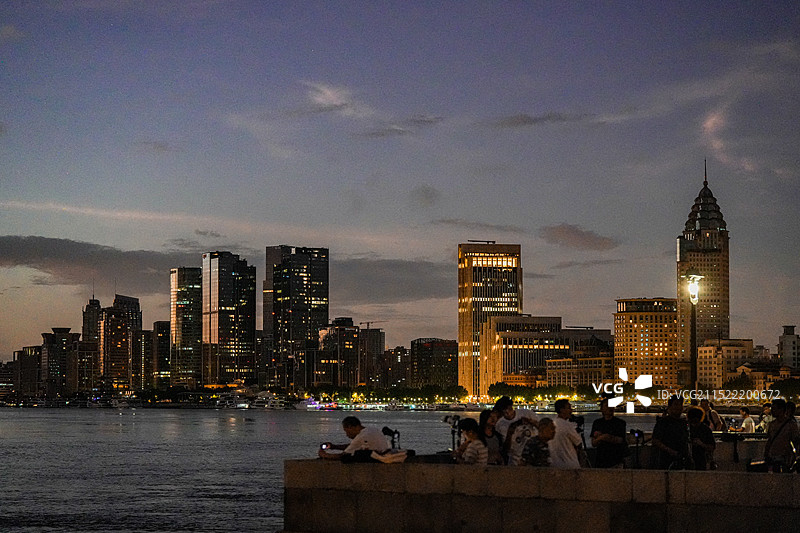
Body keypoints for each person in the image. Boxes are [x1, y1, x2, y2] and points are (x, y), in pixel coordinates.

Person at [492, 396, 539, 466]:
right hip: (515, 460)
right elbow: (505, 449)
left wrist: (530, 421)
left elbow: (541, 427)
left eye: (509, 409)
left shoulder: (526, 413)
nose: (507, 412)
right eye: (504, 411)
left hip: (533, 455)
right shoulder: (500, 424)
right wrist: (509, 433)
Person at [318, 416, 389, 462]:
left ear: (350, 427)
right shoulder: (373, 429)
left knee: (347, 459)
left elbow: (343, 455)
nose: (347, 435)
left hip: (375, 461)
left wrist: (325, 455)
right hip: (382, 455)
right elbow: (355, 446)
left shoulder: (361, 436)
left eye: (346, 431)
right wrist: (333, 447)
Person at [651, 395, 690, 469]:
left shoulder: (684, 422)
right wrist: (671, 451)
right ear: (670, 407)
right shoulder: (663, 422)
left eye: (680, 405)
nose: (678, 407)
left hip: (682, 459)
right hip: (666, 459)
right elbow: (656, 440)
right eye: (675, 404)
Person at [764, 399, 799, 472]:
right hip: (774, 457)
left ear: (781, 409)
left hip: (785, 458)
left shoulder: (790, 425)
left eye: (774, 409)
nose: (772, 411)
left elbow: (796, 441)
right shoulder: (772, 424)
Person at [590, 398, 628, 468]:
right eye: (607, 405)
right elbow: (593, 443)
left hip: (616, 460)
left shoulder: (620, 423)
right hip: (601, 460)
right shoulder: (597, 423)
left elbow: (621, 440)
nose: (610, 408)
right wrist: (603, 437)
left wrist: (601, 437)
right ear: (601, 409)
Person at [549, 399, 583, 469]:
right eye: (569, 408)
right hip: (570, 465)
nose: (571, 411)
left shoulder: (552, 424)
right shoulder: (567, 425)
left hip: (555, 465)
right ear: (562, 410)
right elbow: (579, 443)